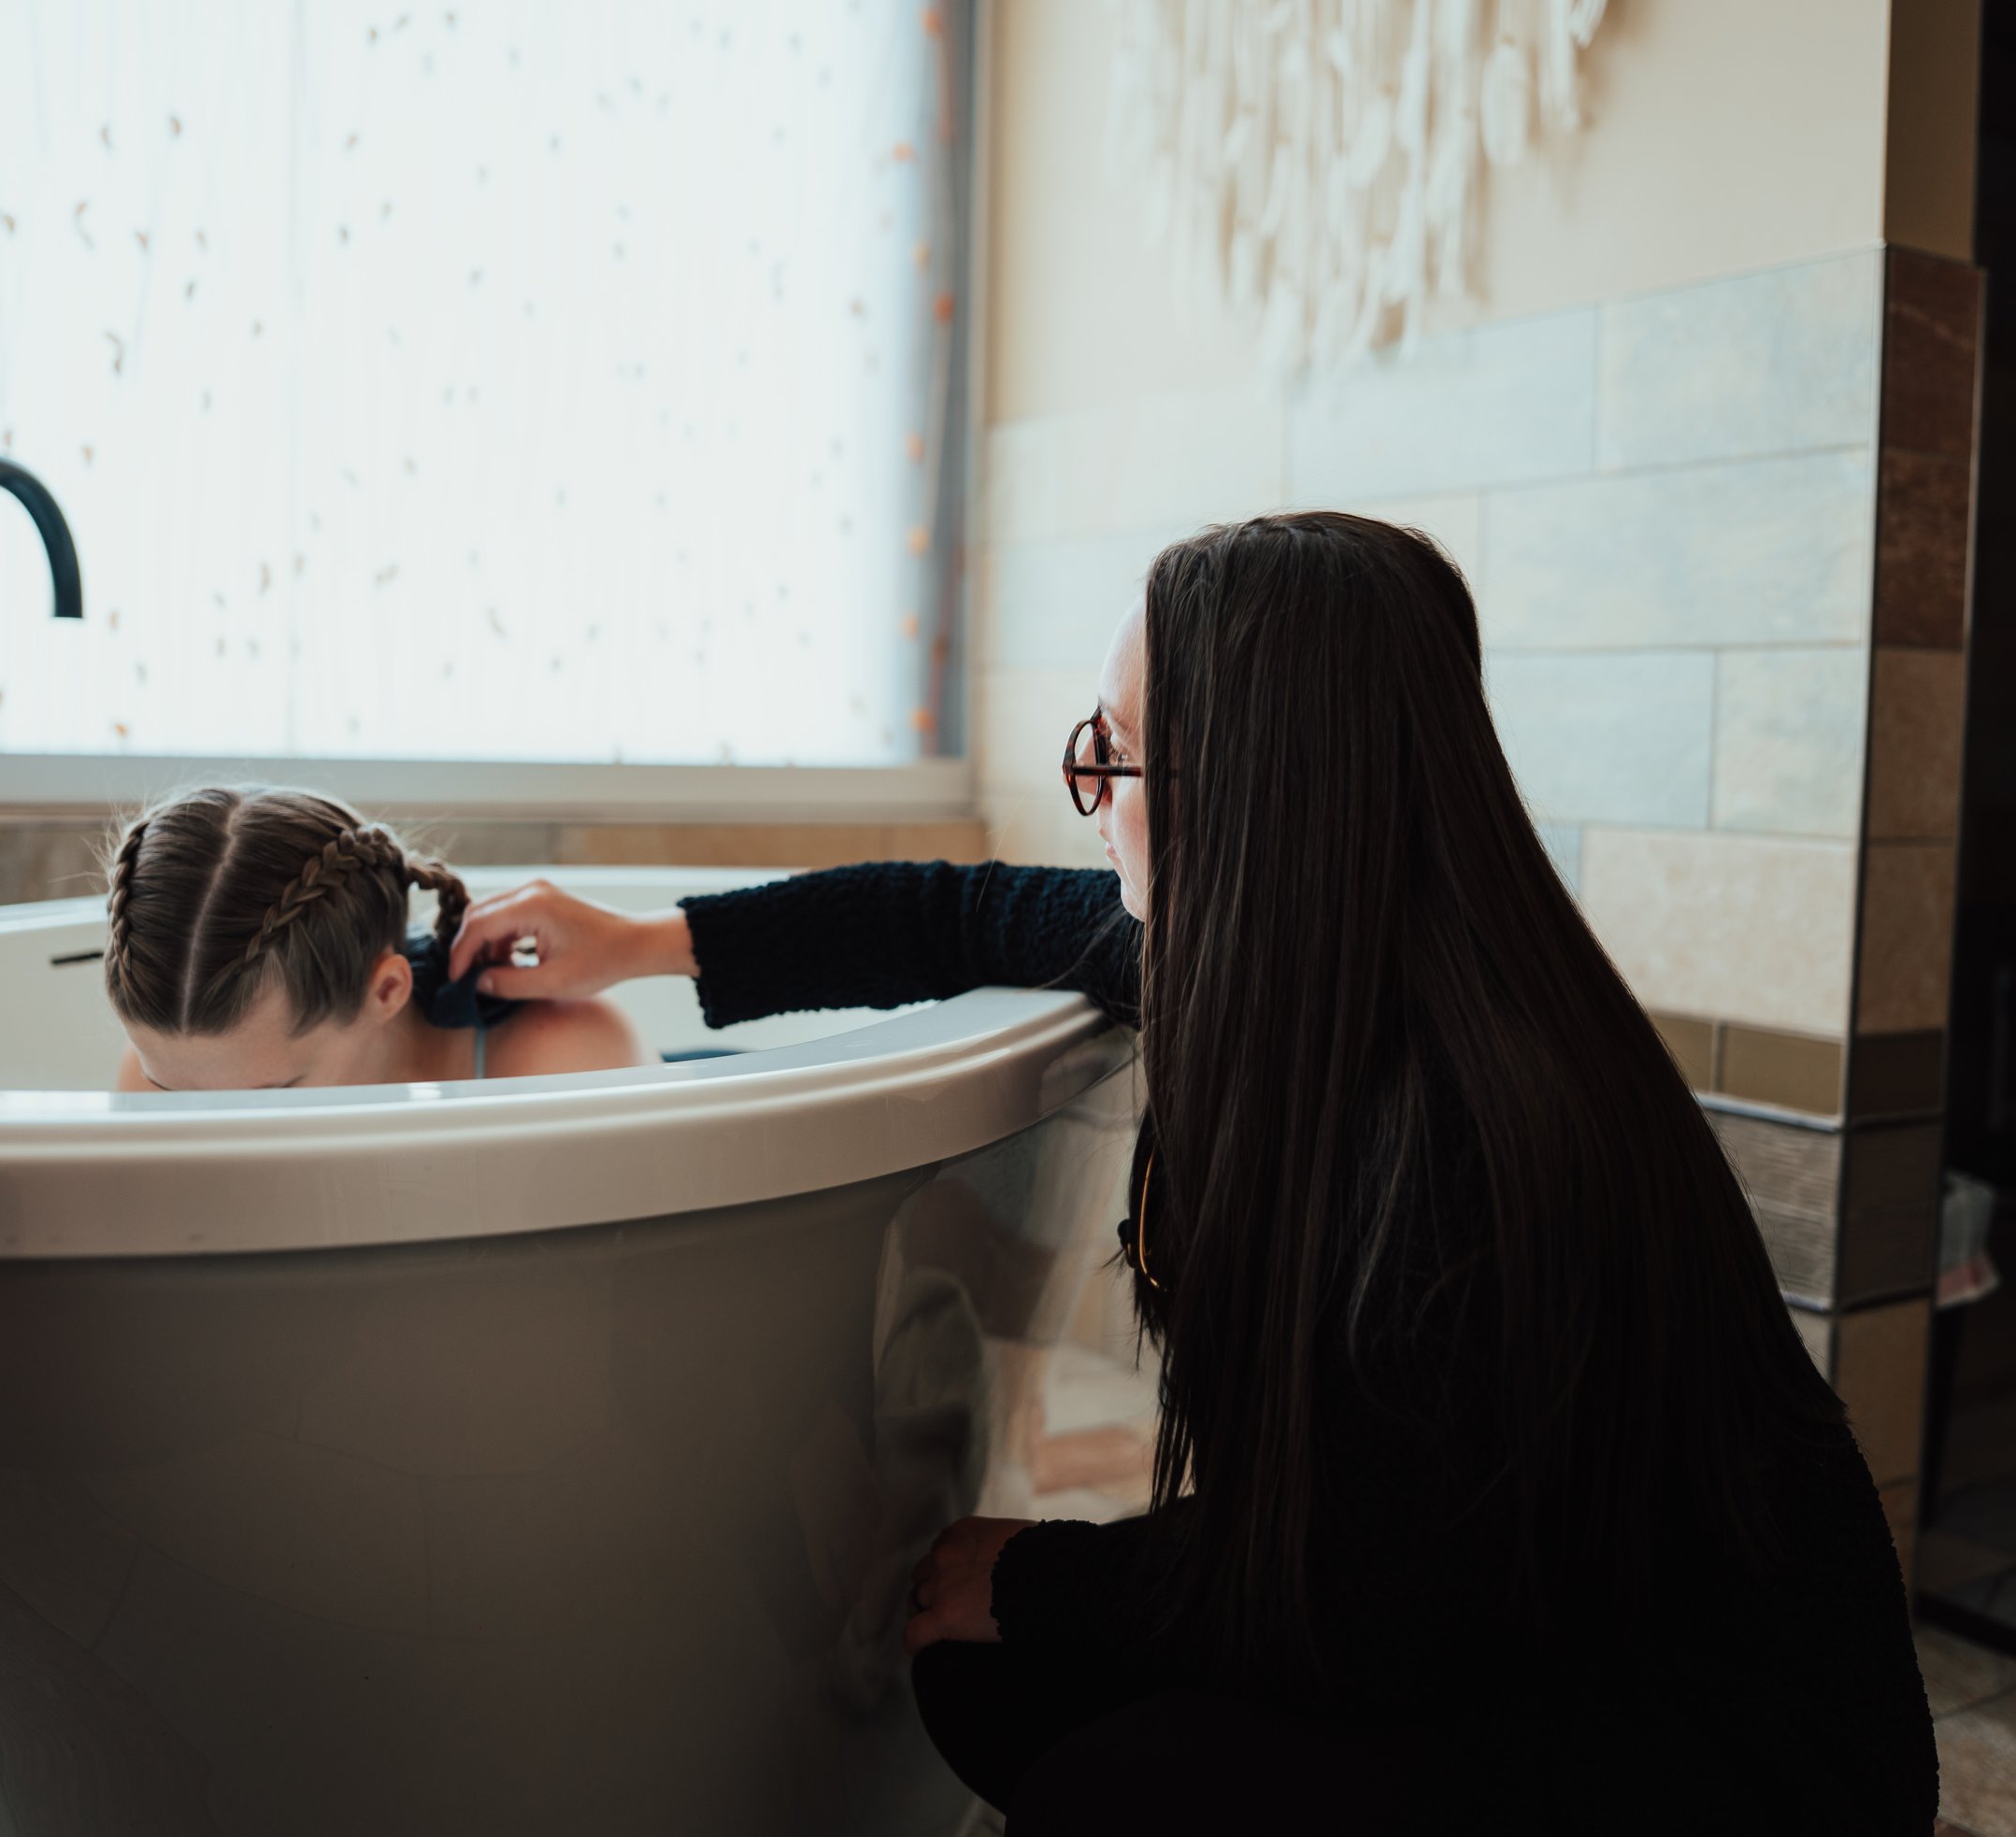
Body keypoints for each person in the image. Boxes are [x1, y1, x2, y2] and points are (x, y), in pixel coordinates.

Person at [444, 515, 1937, 1833]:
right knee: (985, 1687)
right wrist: (643, 941)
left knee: (1098, 1779)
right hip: (1480, 1634)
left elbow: (1380, 1610)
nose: (1092, 796)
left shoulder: (1470, 1131)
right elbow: (950, 915)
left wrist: (1046, 1575)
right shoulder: (1280, 950)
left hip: (1712, 1756)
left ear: (1256, 779)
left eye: (1113, 751)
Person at [103, 785, 644, 1092]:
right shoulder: (166, 1061)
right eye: (171, 1095)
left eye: (271, 1097)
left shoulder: (561, 1061)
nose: (210, 1146)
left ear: (386, 992)